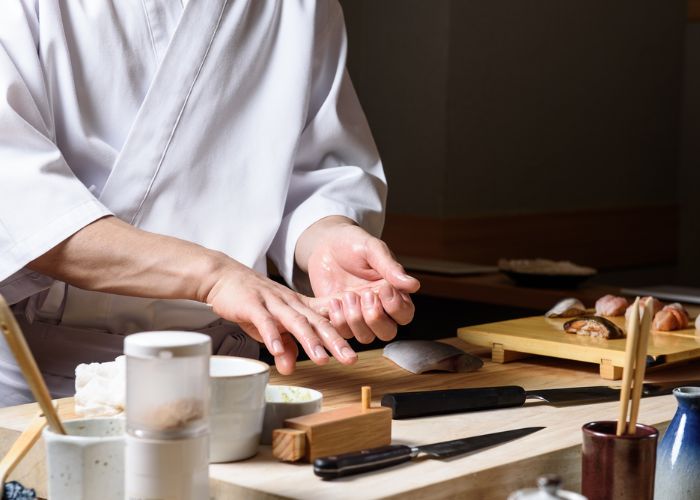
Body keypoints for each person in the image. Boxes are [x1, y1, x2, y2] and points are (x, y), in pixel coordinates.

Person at [0, 0, 420, 407]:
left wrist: (329, 237)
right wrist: (214, 278)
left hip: (226, 372)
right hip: (45, 382)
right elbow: (25, 208)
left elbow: (311, 170)